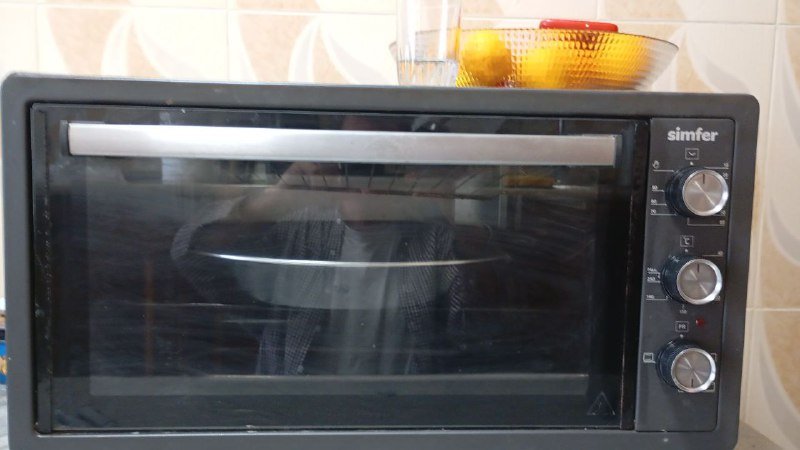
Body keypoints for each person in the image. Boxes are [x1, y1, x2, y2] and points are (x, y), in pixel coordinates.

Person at [171, 157, 470, 376]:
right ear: (331, 165)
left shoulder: (434, 238)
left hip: (404, 421)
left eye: (380, 166)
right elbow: (191, 256)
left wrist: (447, 207)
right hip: (297, 417)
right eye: (355, 165)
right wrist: (274, 201)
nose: (367, 183)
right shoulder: (296, 228)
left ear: (403, 169)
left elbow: (472, 336)